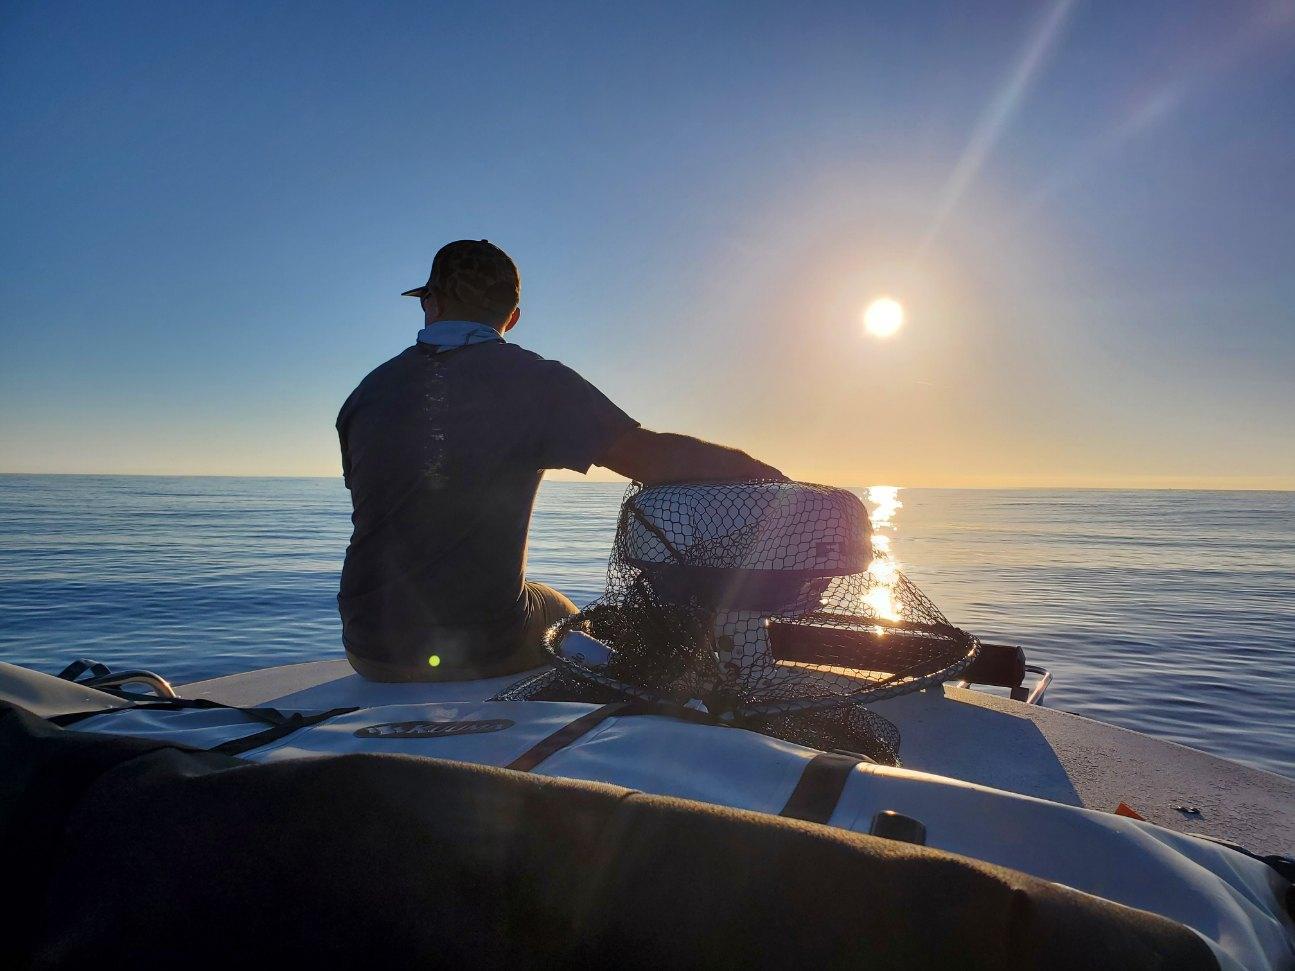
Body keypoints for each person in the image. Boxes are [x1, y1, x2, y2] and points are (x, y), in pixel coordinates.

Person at [337, 239, 783, 682]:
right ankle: (617, 674)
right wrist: (764, 473)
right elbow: (651, 457)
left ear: (429, 304)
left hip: (367, 644)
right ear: (512, 317)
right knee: (562, 609)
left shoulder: (366, 394)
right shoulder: (537, 382)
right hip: (484, 647)